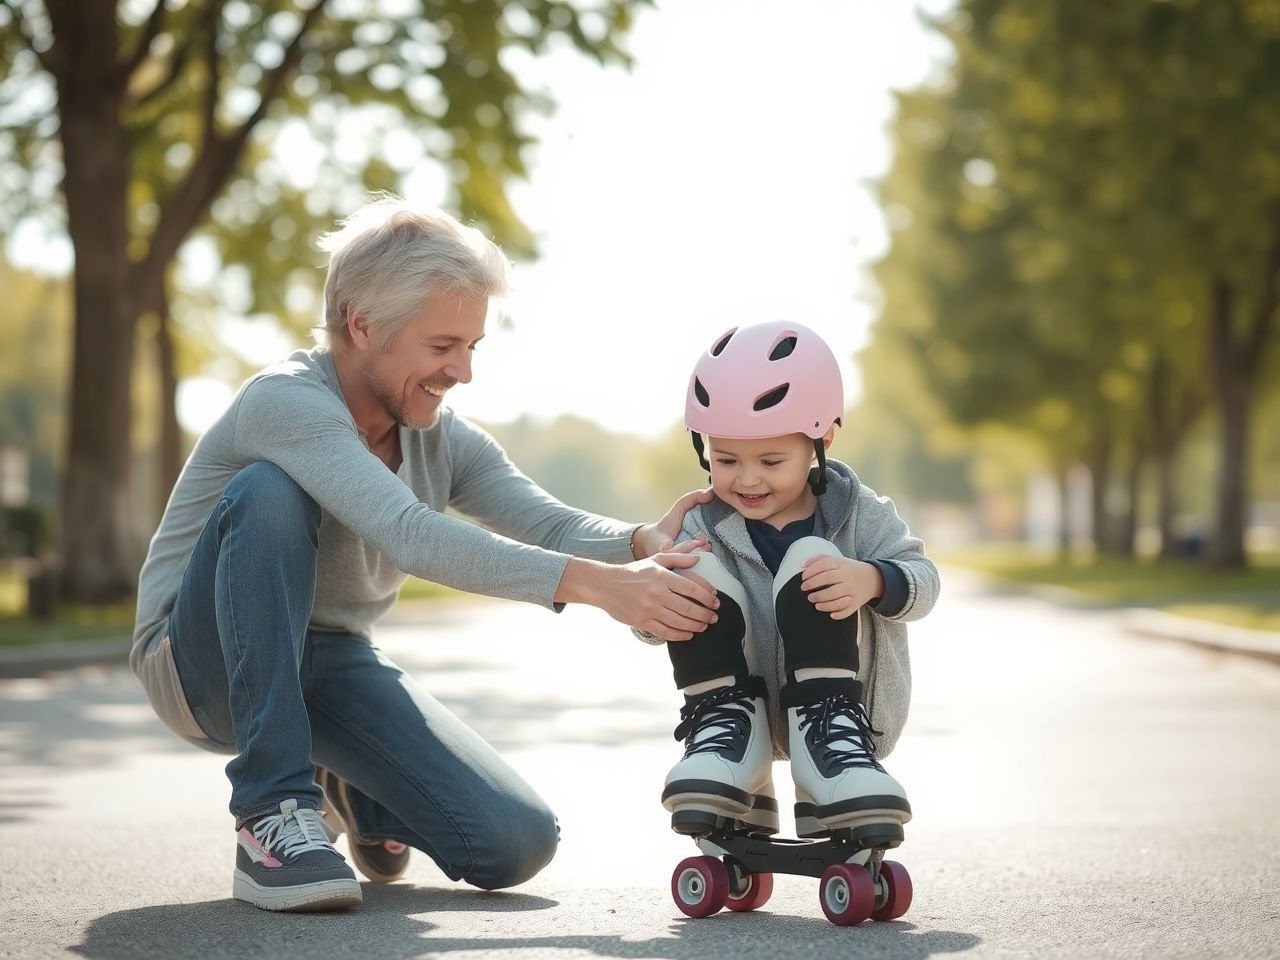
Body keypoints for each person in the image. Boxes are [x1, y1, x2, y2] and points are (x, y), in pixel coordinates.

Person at [130, 195, 722, 913]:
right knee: (267, 494)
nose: (463, 372)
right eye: (443, 347)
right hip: (203, 663)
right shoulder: (285, 403)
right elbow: (407, 531)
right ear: (363, 324)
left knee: (515, 841)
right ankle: (271, 813)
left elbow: (545, 519)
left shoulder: (439, 435)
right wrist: (603, 588)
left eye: (472, 347)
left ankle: (355, 790)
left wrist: (640, 542)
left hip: (329, 657)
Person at [634, 321, 939, 843]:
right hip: (732, 710)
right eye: (725, 460)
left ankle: (830, 757)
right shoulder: (698, 523)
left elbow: (924, 582)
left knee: (814, 558)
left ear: (821, 441)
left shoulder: (860, 514)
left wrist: (869, 579)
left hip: (841, 713)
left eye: (771, 461)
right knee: (692, 568)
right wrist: (657, 587)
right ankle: (730, 749)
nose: (747, 480)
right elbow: (647, 627)